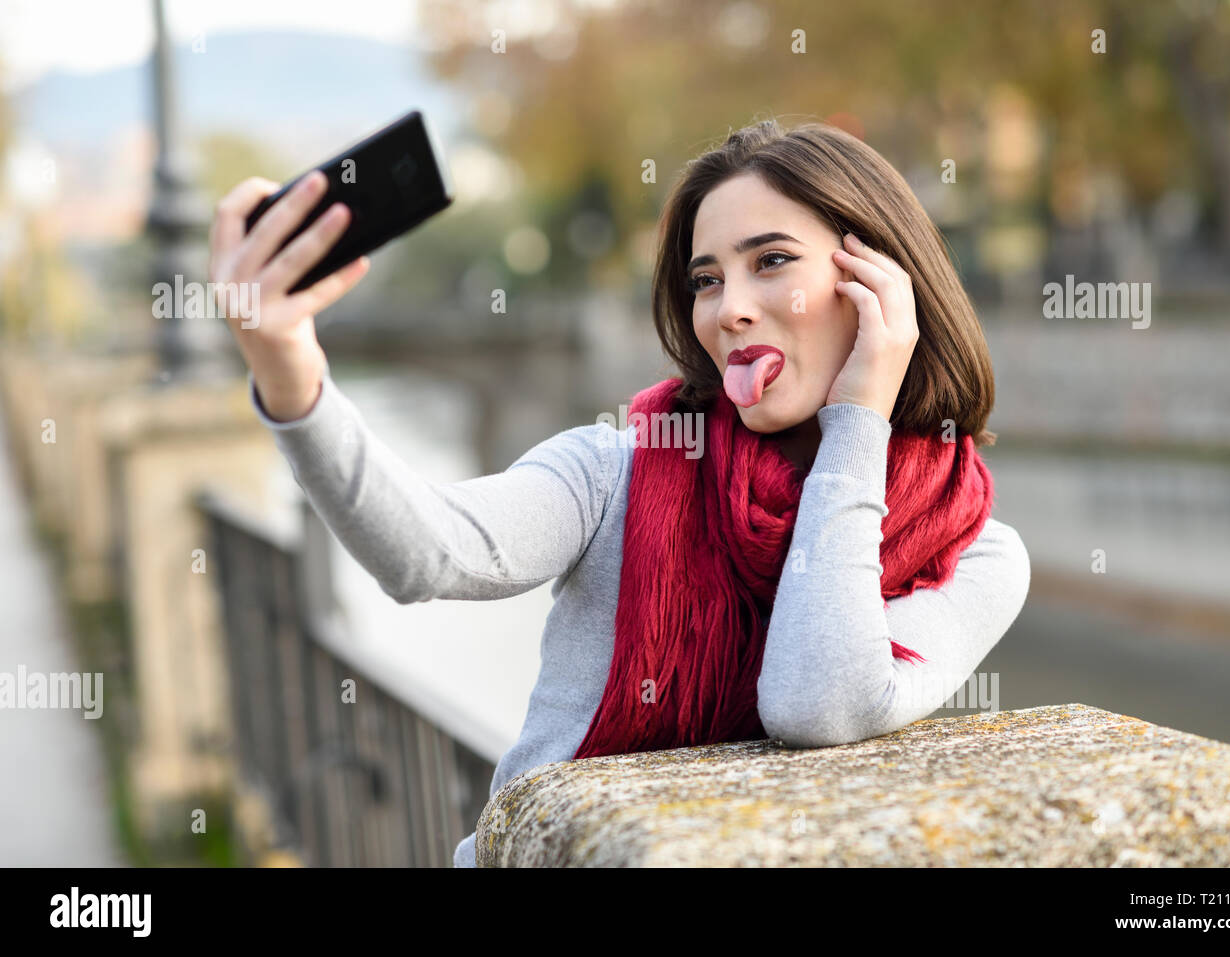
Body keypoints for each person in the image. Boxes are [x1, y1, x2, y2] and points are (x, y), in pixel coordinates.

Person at [208, 118, 1031, 868]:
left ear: (884, 283)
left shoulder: (977, 553)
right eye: (707, 279)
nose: (729, 310)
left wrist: (858, 421)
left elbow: (814, 700)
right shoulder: (618, 468)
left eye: (771, 261)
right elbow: (428, 552)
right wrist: (289, 372)